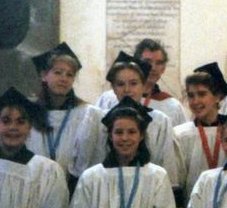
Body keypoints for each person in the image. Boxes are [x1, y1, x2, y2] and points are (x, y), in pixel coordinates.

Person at [74, 51, 181, 189]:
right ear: (113, 88)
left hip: (147, 190)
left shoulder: (159, 121)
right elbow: (87, 165)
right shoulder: (99, 120)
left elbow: (167, 164)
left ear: (143, 86)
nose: (127, 90)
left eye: (133, 83)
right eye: (120, 84)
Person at [27, 42, 104, 194]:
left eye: (70, 74)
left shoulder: (88, 115)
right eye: (58, 72)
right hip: (36, 190)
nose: (64, 78)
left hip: (74, 191)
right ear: (44, 75)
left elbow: (94, 161)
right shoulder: (29, 114)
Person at [174, 63, 227, 208]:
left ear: (217, 97)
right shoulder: (180, 135)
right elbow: (178, 179)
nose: (195, 101)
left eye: (202, 94)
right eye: (191, 96)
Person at [96, 39, 188, 125]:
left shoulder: (173, 106)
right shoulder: (108, 99)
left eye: (159, 63)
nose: (153, 68)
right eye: (147, 61)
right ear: (136, 64)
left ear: (163, 68)